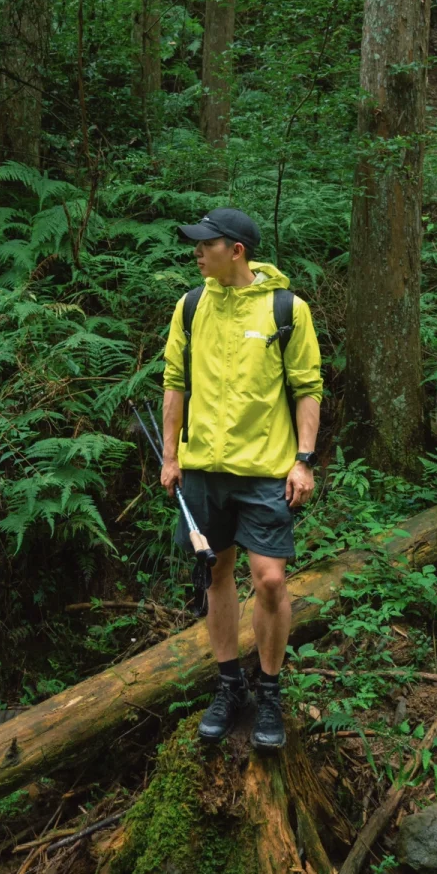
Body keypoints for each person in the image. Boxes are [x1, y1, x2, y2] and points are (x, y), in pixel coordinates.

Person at [160, 207, 322, 750]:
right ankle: (230, 686)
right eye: (196, 244)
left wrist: (304, 460)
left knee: (270, 578)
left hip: (264, 471)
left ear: (237, 251)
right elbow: (174, 383)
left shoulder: (287, 310)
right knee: (216, 574)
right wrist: (169, 457)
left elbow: (307, 387)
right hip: (203, 467)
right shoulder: (189, 307)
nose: (197, 252)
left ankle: (269, 691)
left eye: (206, 244)